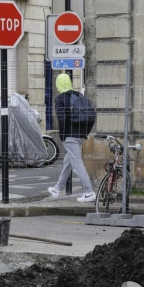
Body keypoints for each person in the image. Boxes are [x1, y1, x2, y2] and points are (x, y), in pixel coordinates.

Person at [47, 74, 95, 203]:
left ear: (58, 84)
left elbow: (62, 119)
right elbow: (90, 115)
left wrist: (63, 136)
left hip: (70, 135)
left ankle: (89, 192)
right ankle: (57, 189)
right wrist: (84, 133)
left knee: (77, 164)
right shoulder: (78, 96)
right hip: (79, 135)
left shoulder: (60, 99)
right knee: (68, 162)